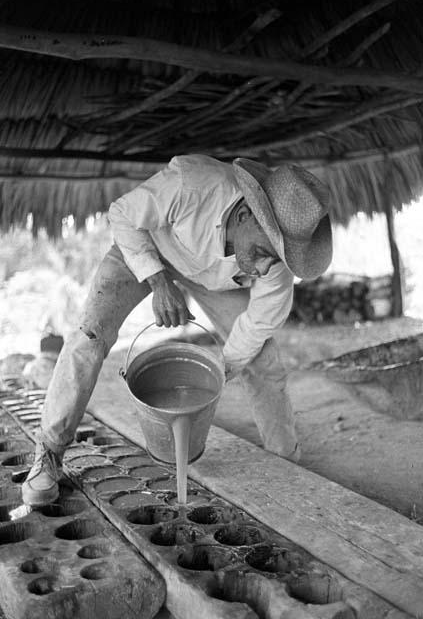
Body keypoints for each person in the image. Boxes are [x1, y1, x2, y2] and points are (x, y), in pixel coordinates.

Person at [22, 154, 332, 506]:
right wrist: (158, 282)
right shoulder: (192, 184)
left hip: (212, 281)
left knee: (263, 359)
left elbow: (258, 321)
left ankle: (285, 462)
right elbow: (122, 214)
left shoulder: (276, 265)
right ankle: (48, 452)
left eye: (274, 260)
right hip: (147, 249)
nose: (264, 268)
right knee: (89, 336)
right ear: (245, 215)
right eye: (261, 252)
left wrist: (220, 369)